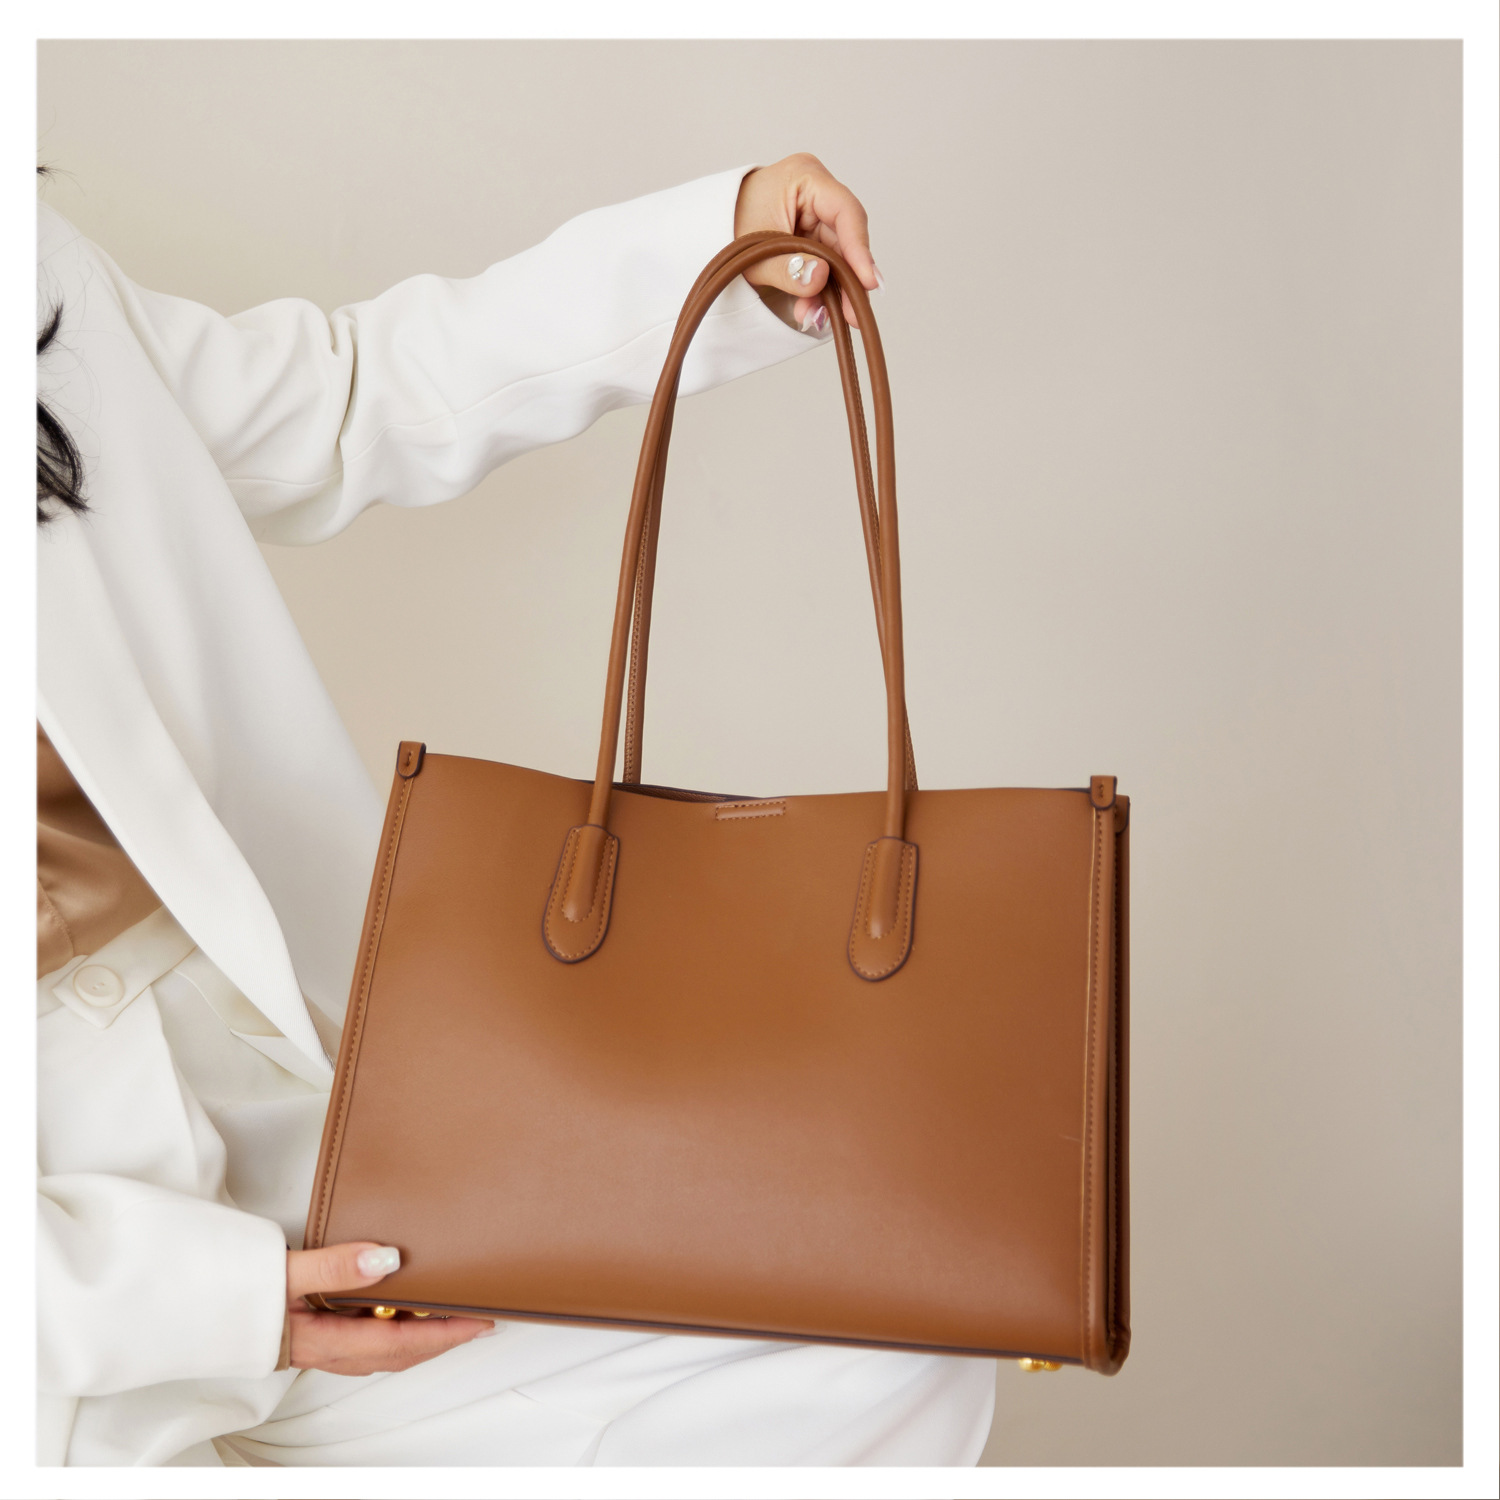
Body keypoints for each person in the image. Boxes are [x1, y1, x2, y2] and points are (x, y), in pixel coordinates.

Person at [36, 153, 999, 1467]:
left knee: (881, 1331)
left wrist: (708, 253)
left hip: (285, 1074)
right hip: (60, 1254)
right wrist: (205, 1301)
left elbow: (342, 398)